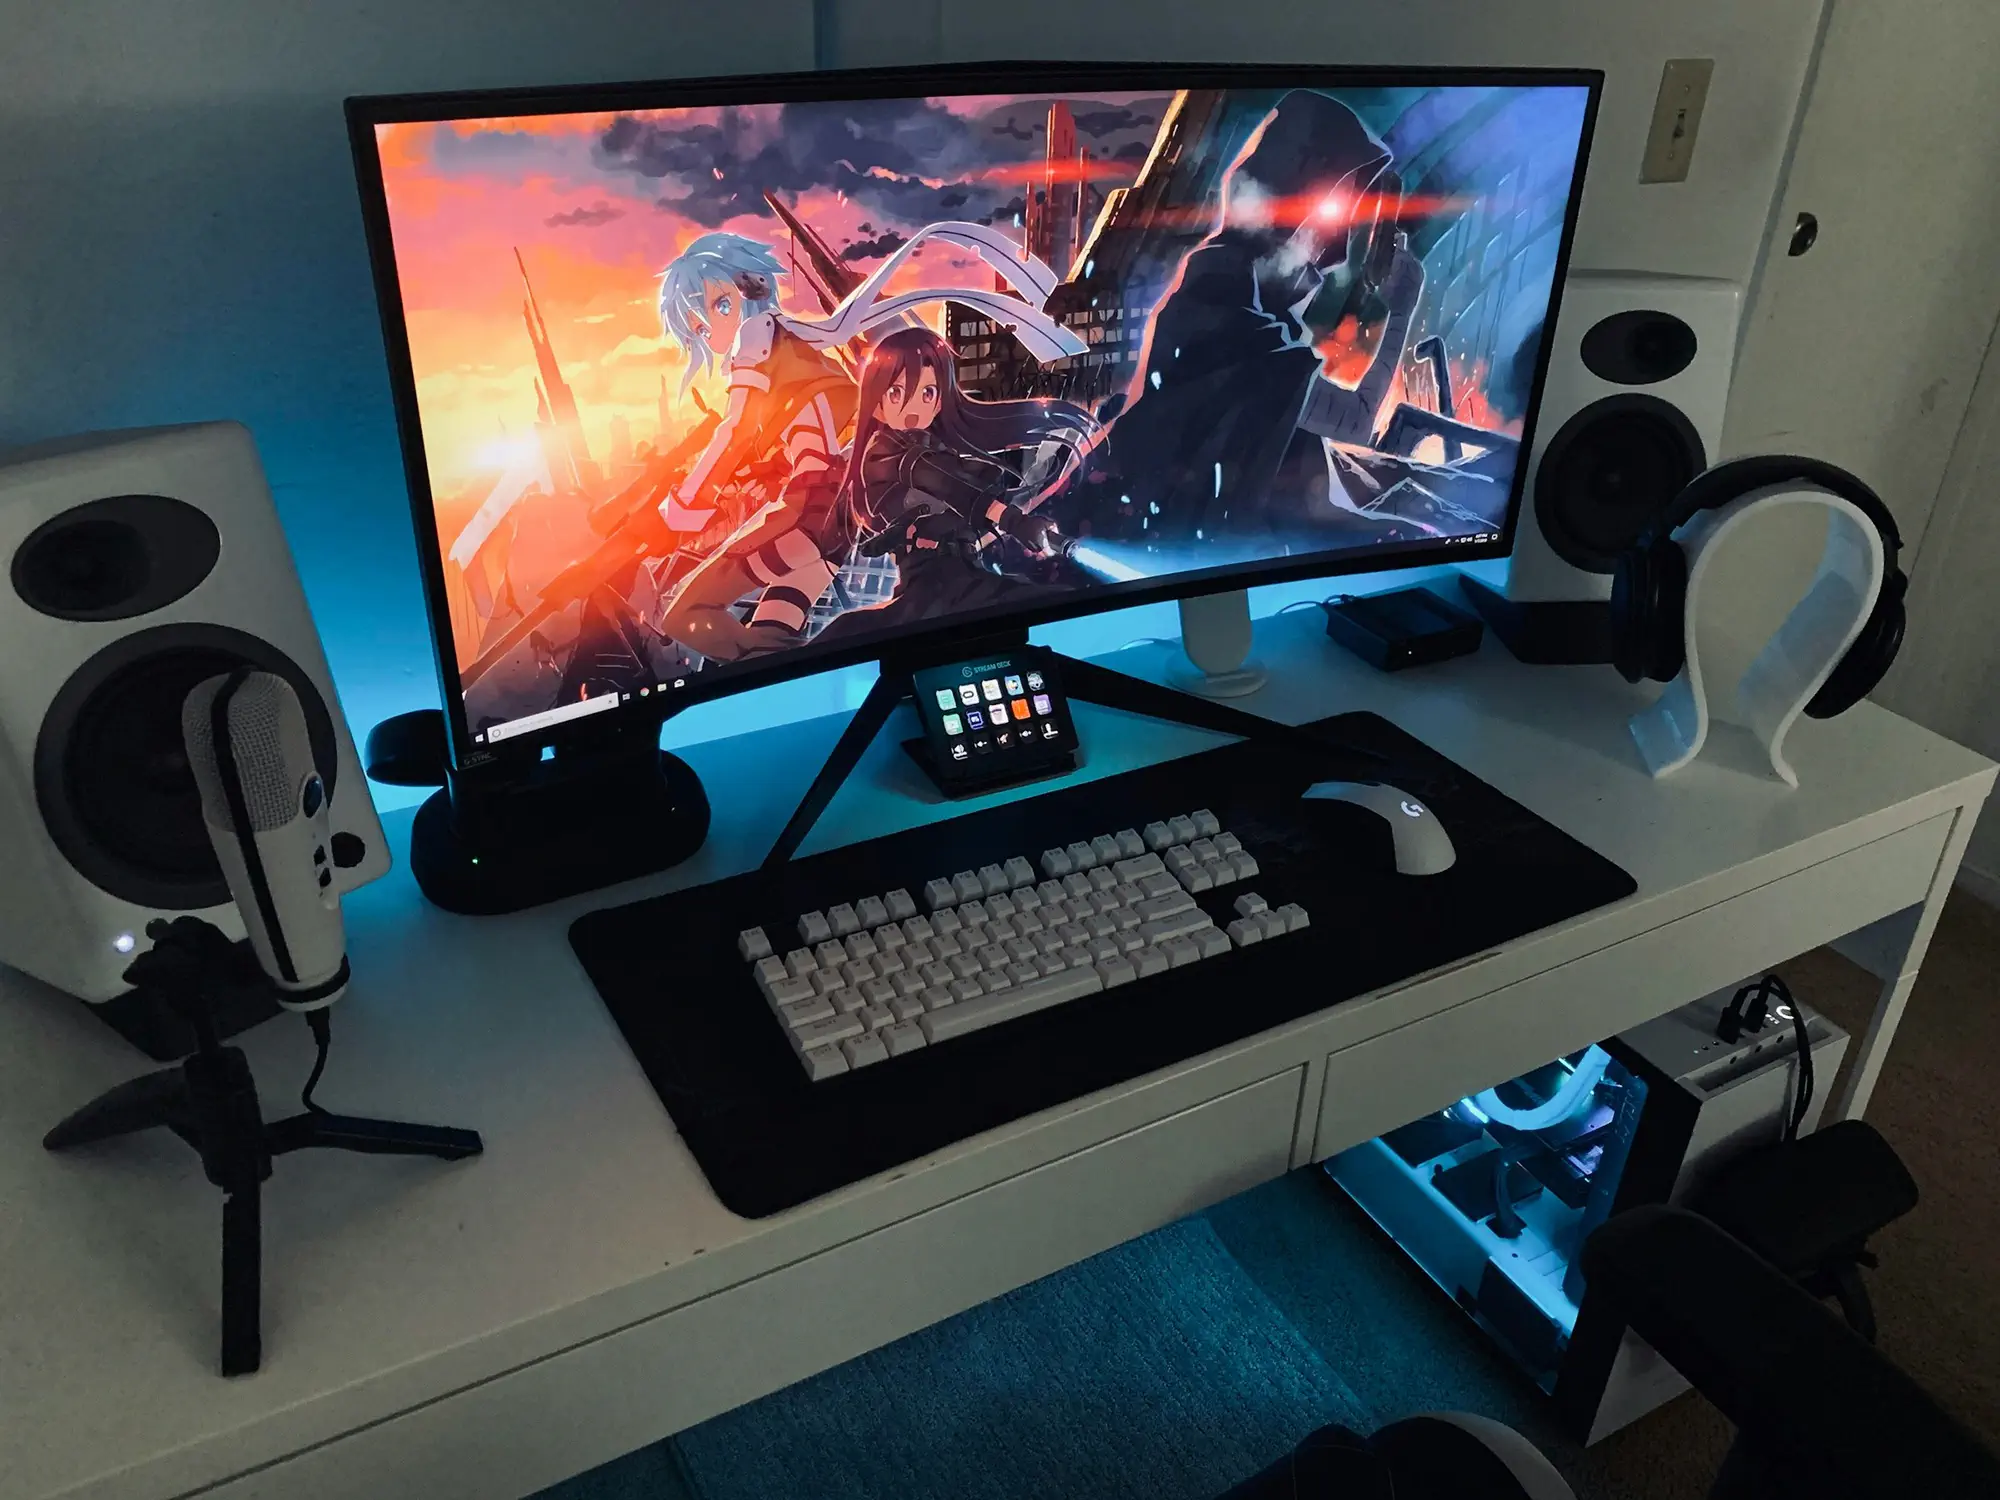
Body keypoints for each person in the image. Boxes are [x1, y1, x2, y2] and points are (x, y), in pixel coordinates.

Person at [809, 328, 1098, 645]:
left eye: (928, 393)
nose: (912, 408)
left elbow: (959, 498)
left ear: (940, 400)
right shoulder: (885, 451)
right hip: (934, 587)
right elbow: (943, 481)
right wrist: (1013, 520)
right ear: (876, 403)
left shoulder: (937, 451)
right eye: (896, 393)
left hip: (965, 578)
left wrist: (1021, 526)